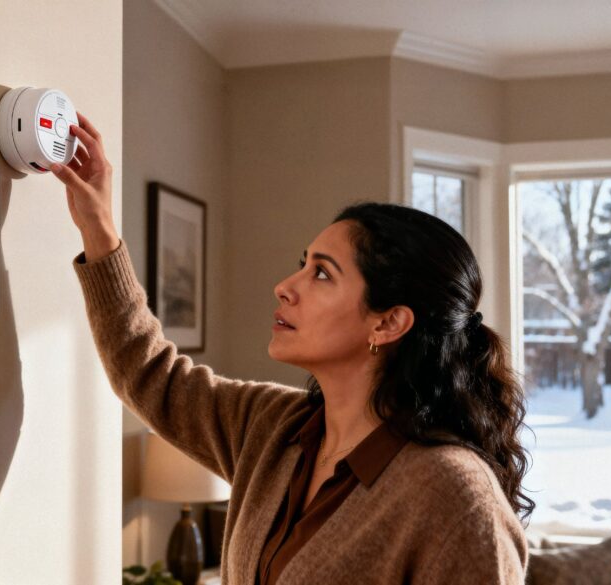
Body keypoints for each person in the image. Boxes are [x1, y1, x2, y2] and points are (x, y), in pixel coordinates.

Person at [53, 114, 531, 584]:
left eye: (322, 273)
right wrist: (98, 225)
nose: (285, 286)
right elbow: (148, 371)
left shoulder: (454, 497)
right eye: (303, 264)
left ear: (388, 322)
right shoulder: (271, 429)